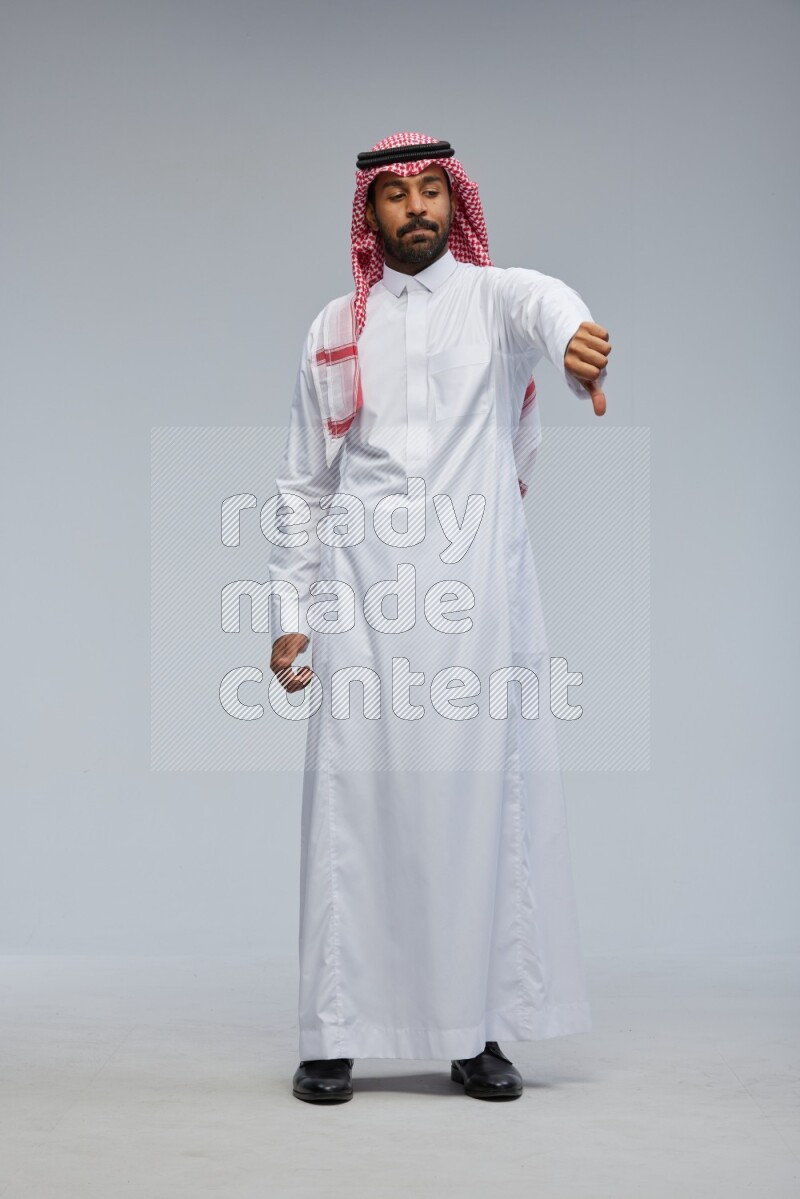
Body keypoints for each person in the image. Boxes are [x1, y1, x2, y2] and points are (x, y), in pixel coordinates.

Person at [266, 131, 611, 1104]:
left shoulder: (495, 303)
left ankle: (475, 1032)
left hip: (478, 609)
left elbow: (548, 301)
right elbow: (303, 482)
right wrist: (290, 609)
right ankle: (331, 1033)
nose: (415, 208)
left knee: (475, 813)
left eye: (430, 191)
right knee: (354, 810)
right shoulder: (336, 326)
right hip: (366, 599)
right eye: (395, 196)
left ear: (452, 203)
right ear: (369, 214)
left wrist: (576, 334)